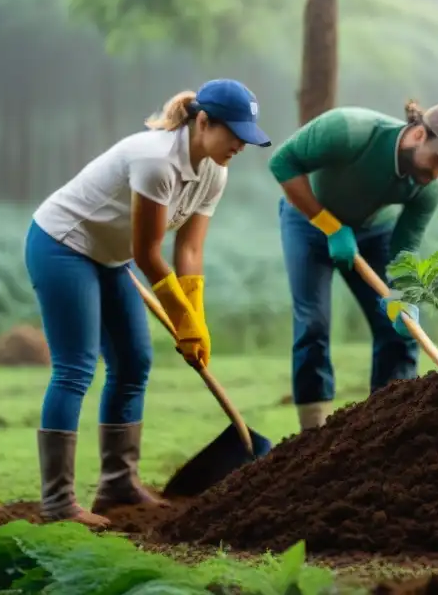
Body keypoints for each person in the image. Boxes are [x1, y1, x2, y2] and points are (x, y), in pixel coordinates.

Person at [25, 79, 271, 527]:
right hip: (64, 244)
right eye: (232, 133)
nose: (239, 144)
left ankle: (118, 482)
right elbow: (148, 254)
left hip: (111, 256)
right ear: (202, 121)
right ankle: (58, 503)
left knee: (134, 362)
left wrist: (195, 320)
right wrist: (181, 319)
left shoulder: (216, 170)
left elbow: (190, 251)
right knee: (76, 368)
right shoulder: (156, 160)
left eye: (246, 136)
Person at [267, 100, 438, 431]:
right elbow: (283, 163)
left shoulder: (428, 188)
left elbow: (405, 246)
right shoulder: (348, 131)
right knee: (313, 324)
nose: (437, 173)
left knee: (399, 329)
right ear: (419, 134)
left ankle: (386, 431)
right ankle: (311, 433)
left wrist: (405, 295)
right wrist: (330, 226)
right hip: (307, 224)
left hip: (373, 234)